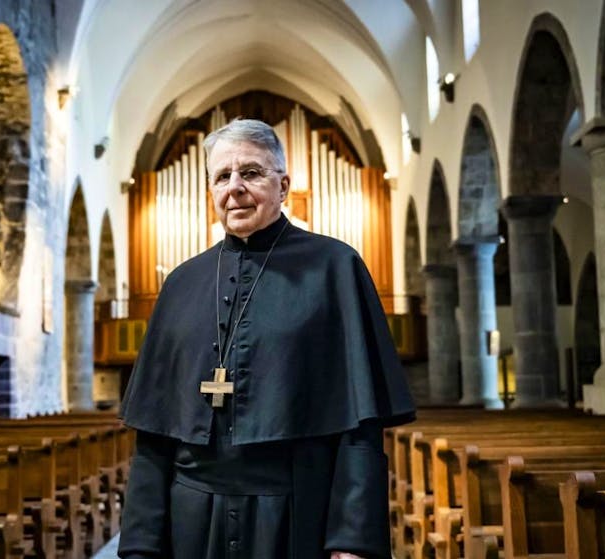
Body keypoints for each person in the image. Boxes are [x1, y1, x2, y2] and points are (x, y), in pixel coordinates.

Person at [117, 119, 416, 559]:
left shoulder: (336, 268)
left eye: (251, 173)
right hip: (192, 523)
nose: (235, 187)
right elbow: (154, 438)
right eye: (222, 176)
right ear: (211, 191)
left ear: (283, 185)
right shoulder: (180, 284)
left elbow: (360, 427)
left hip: (297, 516)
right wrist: (140, 547)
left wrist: (352, 542)